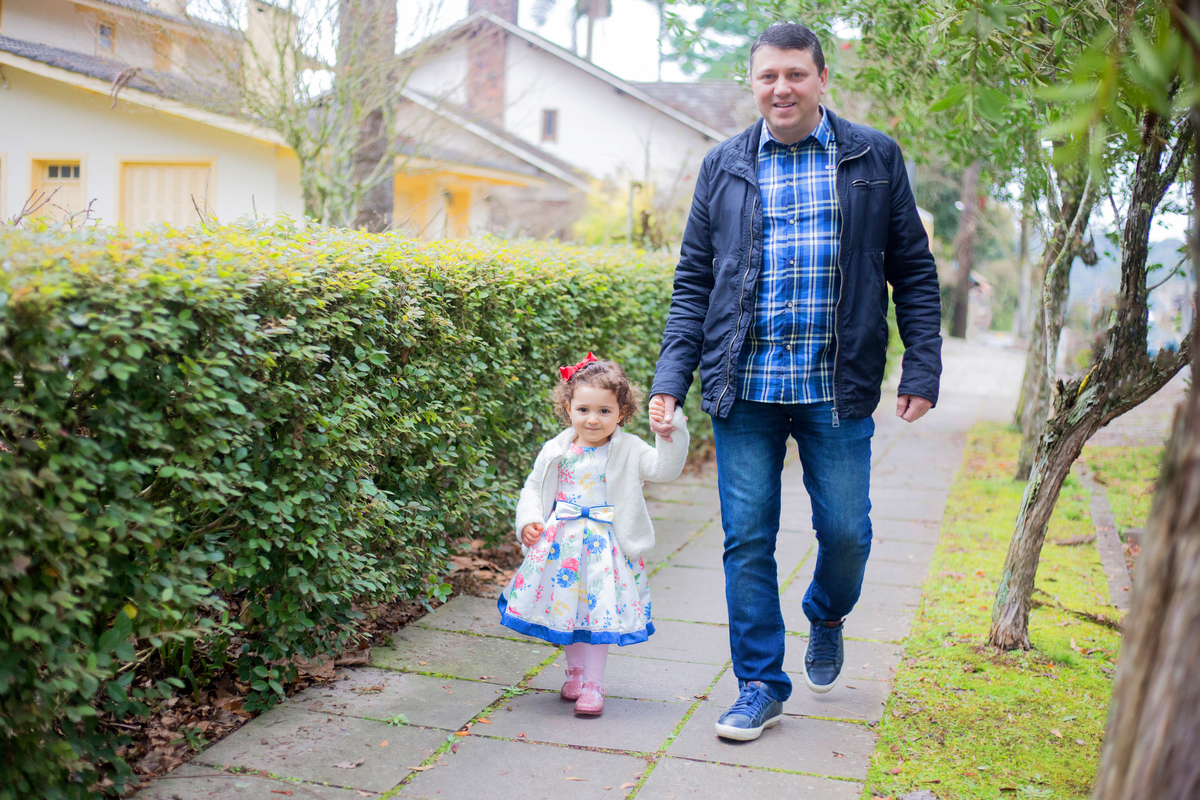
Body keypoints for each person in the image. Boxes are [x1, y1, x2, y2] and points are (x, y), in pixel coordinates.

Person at [648, 23, 942, 742]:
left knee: (846, 533)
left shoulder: (874, 156)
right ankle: (759, 684)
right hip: (742, 387)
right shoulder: (723, 164)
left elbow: (914, 270)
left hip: (835, 387)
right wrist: (670, 377)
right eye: (767, 77)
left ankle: (827, 613)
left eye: (794, 75)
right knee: (747, 539)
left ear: (821, 77)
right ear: (753, 84)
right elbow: (693, 282)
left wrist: (924, 364)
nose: (781, 88)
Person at [498, 354, 689, 716]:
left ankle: (594, 685)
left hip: (605, 547)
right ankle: (574, 672)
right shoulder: (557, 449)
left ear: (622, 413)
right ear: (568, 408)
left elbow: (664, 469)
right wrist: (528, 521)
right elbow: (534, 488)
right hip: (561, 545)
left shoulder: (630, 449)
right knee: (566, 609)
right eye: (583, 409)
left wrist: (671, 433)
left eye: (604, 411)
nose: (593, 419)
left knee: (598, 613)